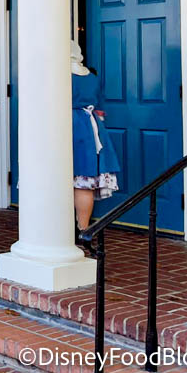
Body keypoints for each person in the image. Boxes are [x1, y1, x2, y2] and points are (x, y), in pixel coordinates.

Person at [71, 41, 121, 231]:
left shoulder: (58, 74)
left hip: (65, 124)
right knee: (84, 181)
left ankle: (60, 230)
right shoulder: (91, 77)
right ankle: (83, 229)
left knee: (57, 178)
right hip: (90, 128)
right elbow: (99, 109)